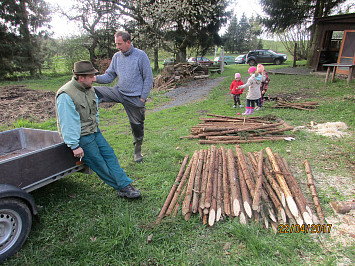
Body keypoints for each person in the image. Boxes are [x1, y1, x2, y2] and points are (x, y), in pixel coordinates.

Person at [56, 60, 141, 199]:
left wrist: (96, 126)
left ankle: (125, 185)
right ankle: (123, 187)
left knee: (110, 155)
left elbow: (94, 111)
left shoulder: (90, 89)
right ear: (81, 77)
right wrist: (74, 146)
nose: (94, 79)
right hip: (81, 136)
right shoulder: (66, 95)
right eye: (91, 76)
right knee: (99, 162)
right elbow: (67, 122)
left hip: (94, 131)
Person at [94, 31, 154, 163]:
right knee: (94, 91)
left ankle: (137, 152)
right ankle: (88, 121)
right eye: (116, 44)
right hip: (119, 92)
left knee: (137, 126)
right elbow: (109, 76)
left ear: (128, 42)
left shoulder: (140, 56)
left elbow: (148, 79)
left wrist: (142, 99)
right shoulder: (116, 57)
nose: (117, 47)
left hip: (135, 98)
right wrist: (94, 78)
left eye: (119, 44)